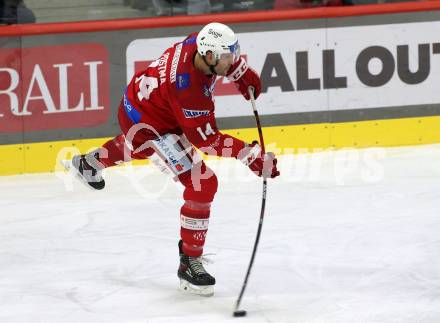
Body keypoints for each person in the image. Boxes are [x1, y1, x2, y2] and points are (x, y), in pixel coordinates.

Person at [68, 22, 280, 296]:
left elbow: (212, 61)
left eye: (232, 55)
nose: (232, 61)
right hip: (152, 126)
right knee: (202, 184)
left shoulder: (196, 43)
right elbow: (207, 141)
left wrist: (240, 73)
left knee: (140, 147)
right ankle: (189, 263)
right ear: (210, 56)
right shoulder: (189, 90)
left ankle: (88, 163)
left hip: (141, 106)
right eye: (227, 58)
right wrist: (250, 155)